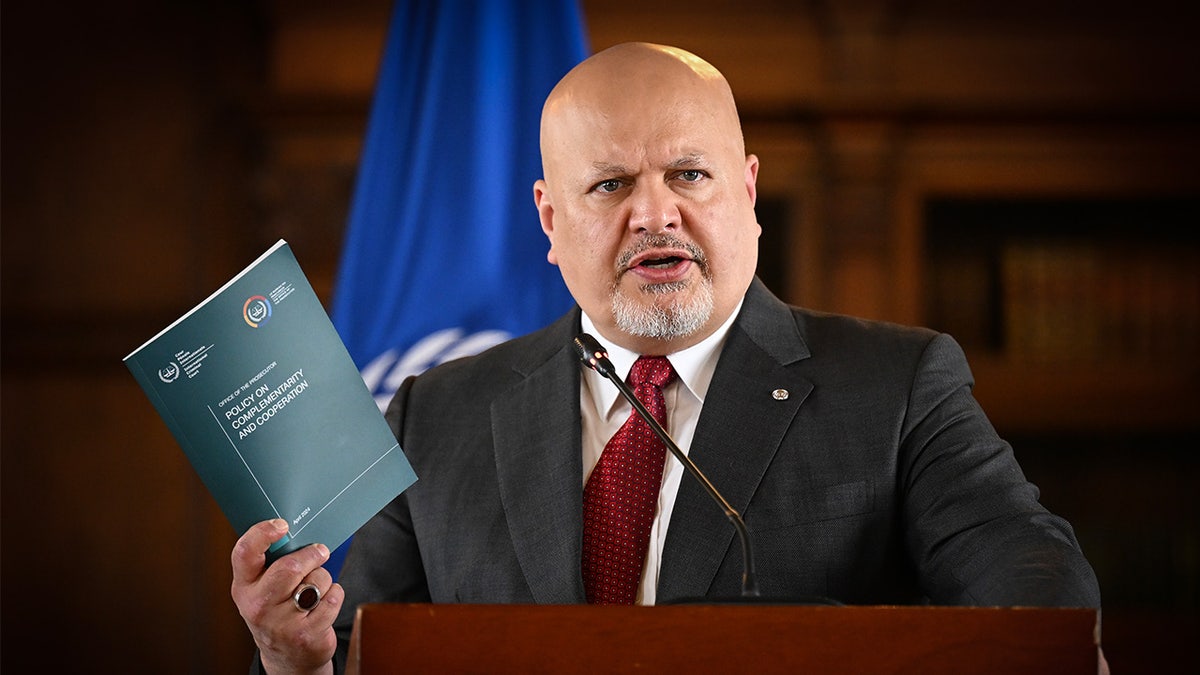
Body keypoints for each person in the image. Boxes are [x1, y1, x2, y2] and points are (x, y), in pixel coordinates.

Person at [231, 42, 1102, 674]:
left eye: (689, 174)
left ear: (748, 194)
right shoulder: (434, 415)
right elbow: (364, 658)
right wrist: (296, 661)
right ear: (547, 218)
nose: (655, 214)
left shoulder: (900, 386)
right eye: (611, 184)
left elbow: (1037, 588)